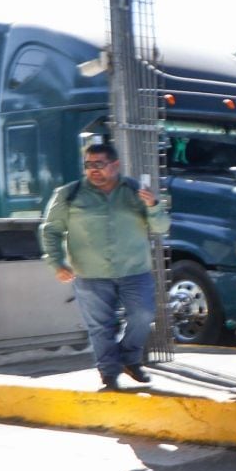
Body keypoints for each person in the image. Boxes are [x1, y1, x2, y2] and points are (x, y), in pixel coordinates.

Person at [39, 140, 171, 392]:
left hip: (134, 270)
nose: (93, 170)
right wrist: (56, 263)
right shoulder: (69, 194)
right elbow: (50, 230)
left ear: (115, 165)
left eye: (99, 164)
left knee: (143, 315)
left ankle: (130, 358)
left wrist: (153, 206)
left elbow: (161, 227)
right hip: (90, 274)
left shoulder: (135, 191)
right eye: (88, 165)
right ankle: (109, 372)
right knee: (100, 326)